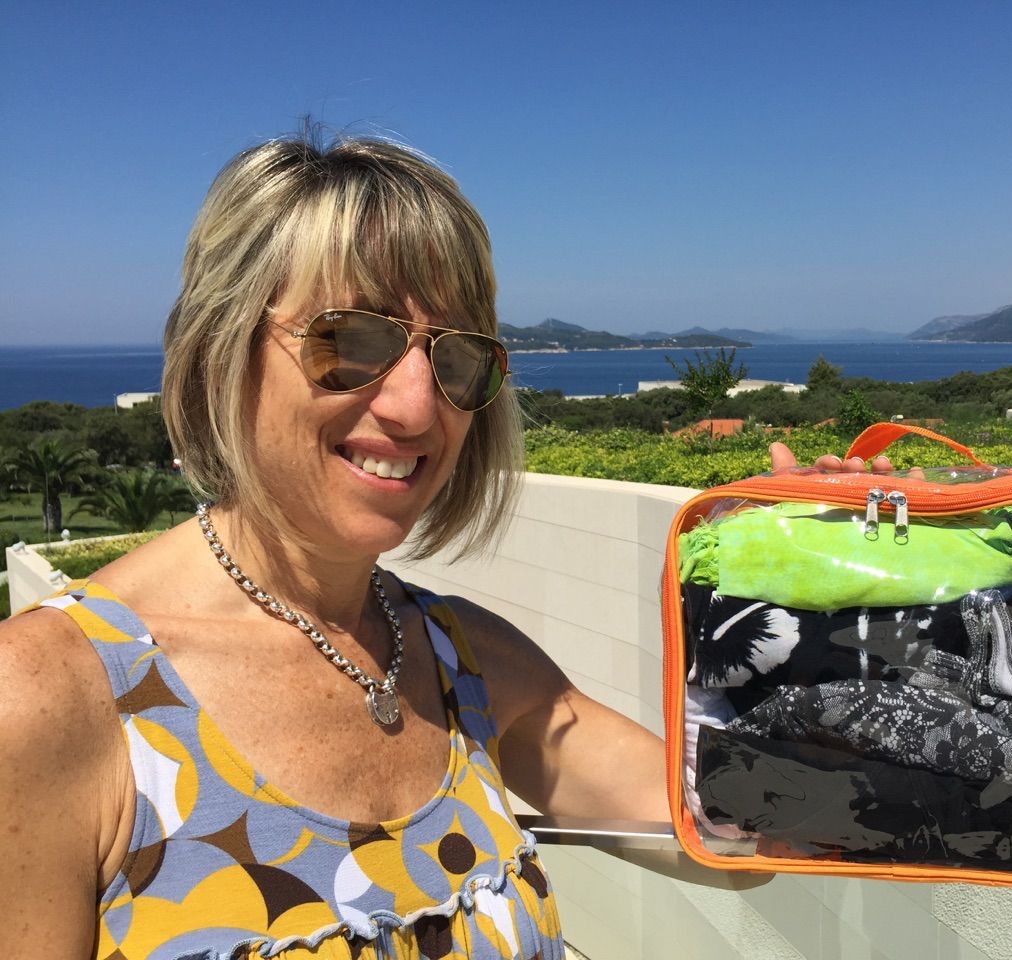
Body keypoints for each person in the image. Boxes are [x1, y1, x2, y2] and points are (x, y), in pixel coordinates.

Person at [0, 132, 890, 958]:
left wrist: (816, 596)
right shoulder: (50, 701)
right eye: (351, 340)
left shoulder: (468, 662)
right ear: (218, 351)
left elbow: (743, 837)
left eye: (456, 360)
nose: (418, 408)